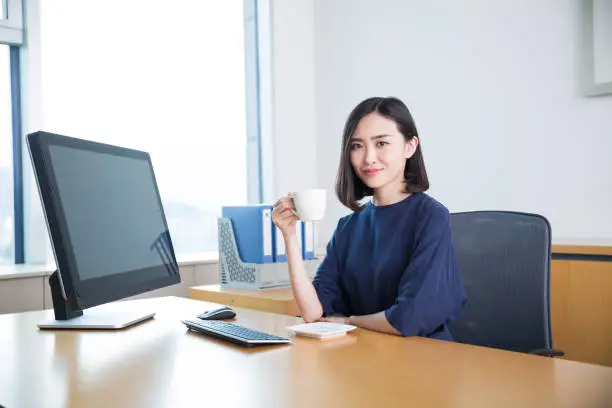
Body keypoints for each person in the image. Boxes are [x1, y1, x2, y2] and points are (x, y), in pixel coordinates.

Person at [272, 96, 466, 340]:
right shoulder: (348, 226)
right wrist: (289, 236)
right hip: (366, 354)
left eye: (381, 143)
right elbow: (313, 313)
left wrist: (348, 321)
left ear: (410, 146)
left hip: (421, 358)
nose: (368, 158)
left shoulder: (431, 216)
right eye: (357, 146)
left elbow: (408, 318)